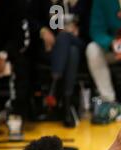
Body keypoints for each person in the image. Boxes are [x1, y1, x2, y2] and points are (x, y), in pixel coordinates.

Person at [28, 0, 93, 128]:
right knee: (70, 51)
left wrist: (77, 29)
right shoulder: (51, 4)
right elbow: (30, 19)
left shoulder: (83, 3)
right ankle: (67, 105)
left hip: (79, 43)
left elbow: (91, 25)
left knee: (65, 39)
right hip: (54, 49)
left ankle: (54, 87)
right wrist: (43, 31)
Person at [0, 0, 30, 140]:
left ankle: (15, 114)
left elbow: (22, 39)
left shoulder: (14, 5)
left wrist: (4, 55)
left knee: (22, 66)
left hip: (8, 56)